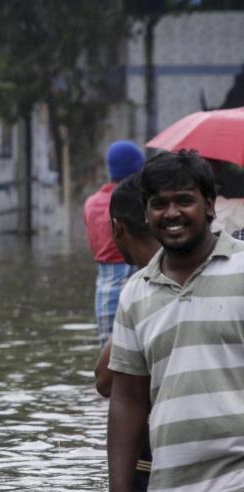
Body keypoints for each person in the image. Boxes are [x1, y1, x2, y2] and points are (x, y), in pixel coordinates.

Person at [107, 150, 244, 492]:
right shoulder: (136, 293)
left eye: (183, 200)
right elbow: (126, 399)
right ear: (145, 213)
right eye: (159, 203)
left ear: (210, 205)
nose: (171, 213)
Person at [92, 175, 165, 492]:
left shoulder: (143, 287)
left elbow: (104, 380)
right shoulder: (144, 287)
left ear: (118, 228)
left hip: (151, 462)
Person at [83, 140, 145, 346]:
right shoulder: (135, 200)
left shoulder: (91, 203)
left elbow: (94, 244)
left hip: (104, 285)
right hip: (133, 277)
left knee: (109, 350)